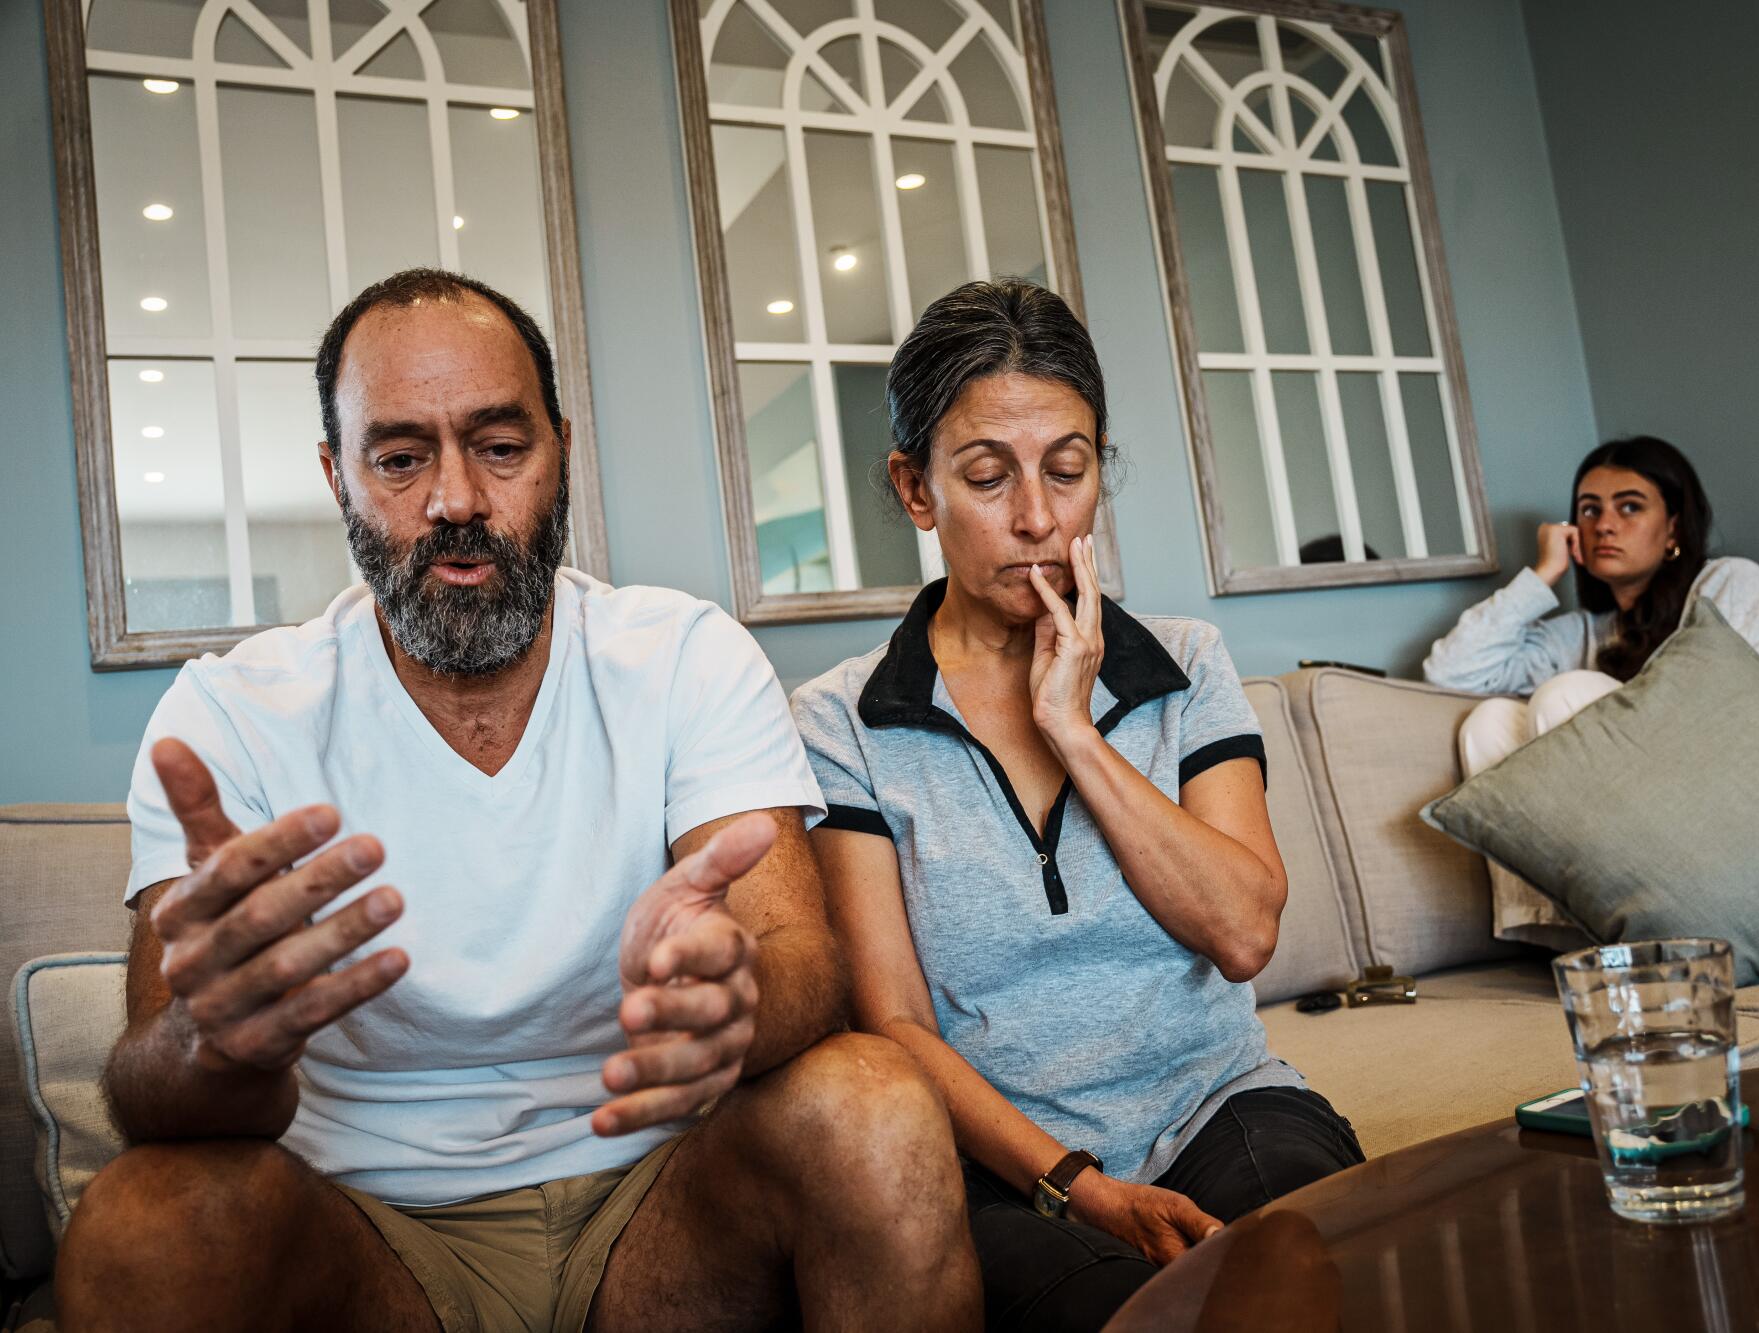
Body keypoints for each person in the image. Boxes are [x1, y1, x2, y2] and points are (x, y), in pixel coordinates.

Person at [55, 269, 980, 1333]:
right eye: (401, 458)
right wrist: (216, 1042)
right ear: (338, 476)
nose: (455, 501)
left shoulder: (682, 656)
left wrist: (736, 1000)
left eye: (500, 447)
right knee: (142, 1219)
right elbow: (151, 1082)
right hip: (365, 1233)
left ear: (562, 451)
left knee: (872, 1104)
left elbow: (797, 958)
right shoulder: (232, 709)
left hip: (660, 1204)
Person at [791, 279, 1364, 1332]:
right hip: (1000, 1164)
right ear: (914, 490)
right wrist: (1075, 1184)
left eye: (1068, 468)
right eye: (985, 475)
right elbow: (895, 1022)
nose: (1037, 518)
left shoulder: (1185, 661)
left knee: (1302, 1282)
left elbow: (1241, 933)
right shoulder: (839, 723)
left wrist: (1073, 729)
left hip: (1220, 1106)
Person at [1423, 435, 1759, 944]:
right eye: (1589, 509)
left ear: (1673, 525)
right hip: (1646, 821)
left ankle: (1655, 922)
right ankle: (1560, 931)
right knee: (1489, 719)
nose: (1604, 524)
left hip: (1748, 814)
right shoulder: (1583, 633)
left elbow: (1732, 715)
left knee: (1565, 694)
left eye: (1629, 506)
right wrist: (1544, 573)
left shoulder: (1732, 582)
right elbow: (1451, 672)